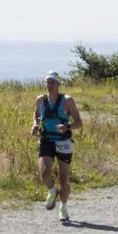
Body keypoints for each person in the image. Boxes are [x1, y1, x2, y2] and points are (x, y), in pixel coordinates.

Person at [31, 71, 83, 222]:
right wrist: (35, 125)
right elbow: (35, 114)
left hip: (63, 142)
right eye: (47, 81)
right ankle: (52, 191)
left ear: (59, 84)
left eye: (53, 82)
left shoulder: (67, 100)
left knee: (63, 178)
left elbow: (79, 122)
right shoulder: (40, 100)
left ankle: (63, 207)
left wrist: (67, 127)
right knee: (44, 173)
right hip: (46, 139)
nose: (49, 84)